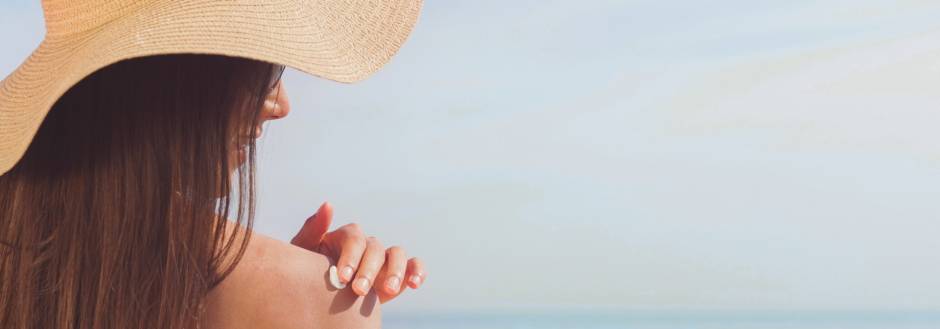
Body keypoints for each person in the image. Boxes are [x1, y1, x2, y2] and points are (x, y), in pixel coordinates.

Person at [0, 1, 425, 328]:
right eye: (264, 66)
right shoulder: (318, 300)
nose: (281, 106)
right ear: (183, 75)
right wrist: (303, 300)